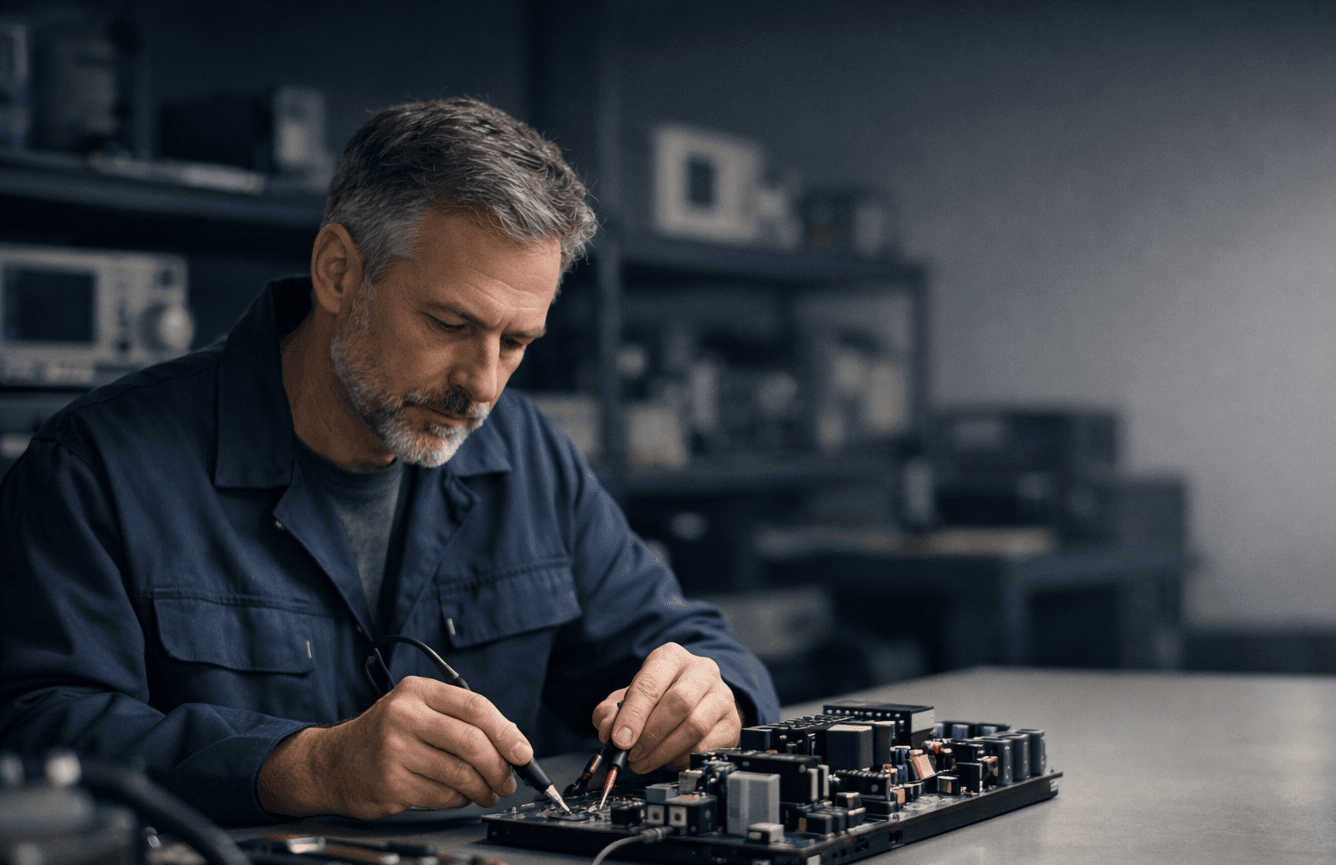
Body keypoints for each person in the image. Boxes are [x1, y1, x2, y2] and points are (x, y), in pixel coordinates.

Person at [0, 98, 779, 822]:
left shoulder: (530, 454)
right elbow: (38, 727)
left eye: (516, 343)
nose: (482, 384)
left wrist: (716, 696)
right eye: (448, 322)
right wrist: (305, 766)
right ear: (339, 270)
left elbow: (689, 641)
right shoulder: (97, 466)